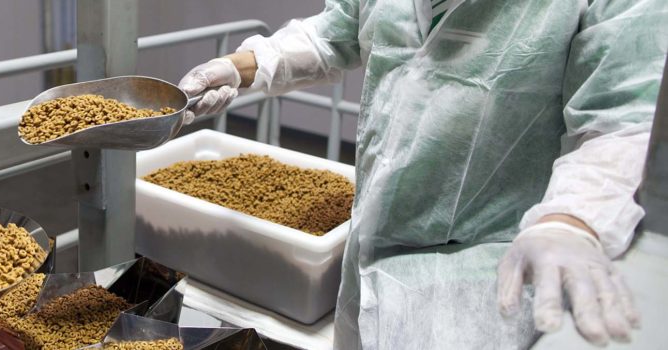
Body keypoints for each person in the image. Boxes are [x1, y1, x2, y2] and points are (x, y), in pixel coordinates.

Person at [178, 0, 668, 348]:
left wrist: (571, 221)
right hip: (371, 240)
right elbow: (338, 30)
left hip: (482, 267)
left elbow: (621, 122)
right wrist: (239, 66)